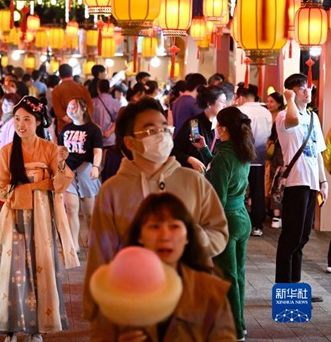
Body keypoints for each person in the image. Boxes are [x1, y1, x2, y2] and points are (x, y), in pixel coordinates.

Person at [83, 97, 228, 326]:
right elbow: (100, 254)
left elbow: (219, 232)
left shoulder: (193, 181)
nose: (160, 135)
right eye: (151, 130)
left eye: (163, 127)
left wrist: (192, 237)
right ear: (130, 142)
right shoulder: (113, 190)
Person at [0, 96, 79, 342]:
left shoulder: (50, 149)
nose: (21, 124)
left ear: (38, 122)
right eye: (17, 119)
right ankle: (10, 327)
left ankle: (36, 329)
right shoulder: (8, 151)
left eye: (27, 119)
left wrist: (60, 163)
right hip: (17, 216)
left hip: (42, 218)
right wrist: (39, 184)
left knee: (42, 267)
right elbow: (1, 190)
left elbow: (60, 184)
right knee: (13, 270)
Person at [93, 193, 235, 341]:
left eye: (174, 227)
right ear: (139, 236)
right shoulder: (115, 291)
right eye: (154, 226)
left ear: (187, 236)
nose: (165, 236)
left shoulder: (210, 292)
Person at [205, 107, 255, 340]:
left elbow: (217, 198)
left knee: (227, 276)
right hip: (242, 218)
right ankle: (240, 323)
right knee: (239, 275)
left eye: (217, 125)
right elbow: (224, 170)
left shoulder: (224, 156)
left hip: (225, 221)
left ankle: (234, 328)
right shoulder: (242, 149)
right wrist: (205, 152)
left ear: (223, 129)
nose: (215, 128)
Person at [275, 74, 327, 285]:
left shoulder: (313, 118)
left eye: (309, 88)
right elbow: (293, 119)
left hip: (311, 182)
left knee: (304, 235)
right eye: (302, 88)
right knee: (292, 235)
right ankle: (284, 284)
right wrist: (288, 99)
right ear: (290, 92)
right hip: (296, 182)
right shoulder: (283, 116)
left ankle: (294, 283)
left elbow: (317, 152)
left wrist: (323, 182)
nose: (308, 92)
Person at [59, 97, 103, 252]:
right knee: (71, 208)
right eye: (69, 107)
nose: (71, 109)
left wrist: (96, 167)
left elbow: (97, 151)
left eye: (74, 107)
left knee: (89, 213)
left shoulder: (93, 129)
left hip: (86, 171)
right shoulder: (65, 129)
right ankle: (73, 244)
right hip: (68, 172)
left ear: (84, 109)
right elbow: (60, 150)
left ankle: (92, 237)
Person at [235, 85, 273, 237]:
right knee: (258, 191)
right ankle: (257, 225)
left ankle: (239, 222)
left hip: (242, 155)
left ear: (241, 97)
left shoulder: (240, 111)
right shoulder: (266, 112)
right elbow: (269, 133)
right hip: (260, 155)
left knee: (240, 189)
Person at [173, 84, 227, 173]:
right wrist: (190, 159)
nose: (225, 105)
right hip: (193, 175)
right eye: (222, 102)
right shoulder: (195, 125)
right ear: (209, 104)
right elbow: (176, 150)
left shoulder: (221, 125)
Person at [51, 63, 94, 135]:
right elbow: (90, 107)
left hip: (64, 128)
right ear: (72, 73)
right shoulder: (82, 88)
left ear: (59, 76)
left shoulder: (56, 90)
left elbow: (58, 111)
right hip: (83, 126)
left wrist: (71, 120)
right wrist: (80, 119)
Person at [92, 79, 122, 181]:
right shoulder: (115, 103)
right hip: (110, 138)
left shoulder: (93, 102)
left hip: (96, 137)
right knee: (109, 162)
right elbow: (118, 120)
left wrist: (99, 130)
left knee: (97, 162)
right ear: (109, 89)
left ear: (98, 89)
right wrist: (109, 132)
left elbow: (90, 119)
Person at [265, 91, 286, 228]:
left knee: (275, 184)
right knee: (278, 184)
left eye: (272, 101)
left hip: (277, 156)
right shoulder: (274, 116)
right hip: (281, 157)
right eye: (267, 101)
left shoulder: (279, 117)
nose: (268, 104)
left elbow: (271, 138)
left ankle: (276, 216)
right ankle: (277, 216)